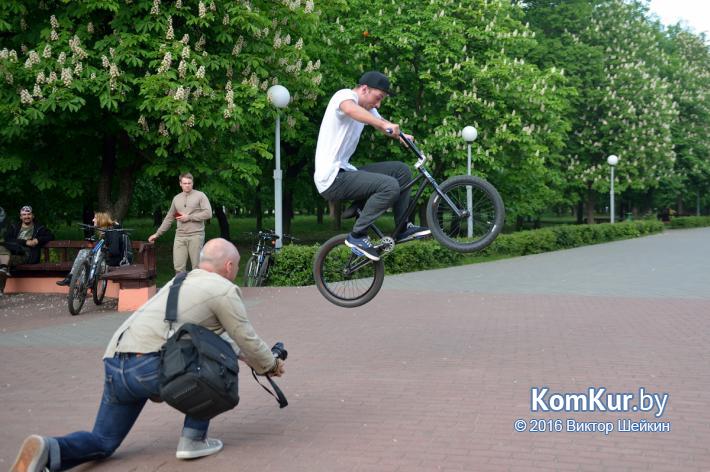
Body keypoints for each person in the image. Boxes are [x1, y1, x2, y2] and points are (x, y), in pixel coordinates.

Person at [10, 238, 285, 472]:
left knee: (103, 441)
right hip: (150, 365)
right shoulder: (223, 289)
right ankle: (193, 440)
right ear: (229, 266)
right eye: (236, 267)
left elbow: (220, 337)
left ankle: (50, 449)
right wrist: (270, 364)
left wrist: (252, 359)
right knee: (214, 372)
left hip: (116, 362)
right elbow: (244, 337)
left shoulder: (180, 281)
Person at [313, 70, 430, 261]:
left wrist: (402, 136)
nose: (377, 104)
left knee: (401, 171)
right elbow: (352, 110)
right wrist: (382, 125)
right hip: (332, 178)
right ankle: (357, 235)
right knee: (389, 185)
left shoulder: (368, 109)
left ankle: (402, 228)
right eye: (378, 98)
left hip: (346, 171)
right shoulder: (344, 96)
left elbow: (383, 123)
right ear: (364, 89)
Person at [149, 173, 212, 273]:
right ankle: (180, 288)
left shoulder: (200, 196)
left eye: (189, 183)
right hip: (180, 236)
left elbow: (208, 213)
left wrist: (189, 217)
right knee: (178, 268)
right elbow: (169, 218)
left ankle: (197, 288)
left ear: (192, 183)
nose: (187, 185)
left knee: (197, 268)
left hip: (196, 235)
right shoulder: (176, 198)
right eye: (185, 183)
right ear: (180, 184)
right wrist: (157, 234)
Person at [0, 205, 54, 296]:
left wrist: (37, 240)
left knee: (2, 260)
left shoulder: (39, 228)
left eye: (28, 214)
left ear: (32, 216)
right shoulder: (14, 227)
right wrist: (25, 242)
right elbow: (8, 239)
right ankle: (4, 269)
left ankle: (3, 272)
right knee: (2, 255)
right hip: (12, 251)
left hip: (27, 254)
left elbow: (51, 236)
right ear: (21, 217)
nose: (26, 217)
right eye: (24, 215)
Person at [55, 211, 120, 287]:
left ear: (101, 220)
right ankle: (71, 278)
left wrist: (104, 250)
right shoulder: (104, 232)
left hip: (109, 264)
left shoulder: (112, 232)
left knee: (87, 262)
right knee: (83, 252)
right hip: (101, 263)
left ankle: (79, 286)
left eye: (95, 218)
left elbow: (114, 252)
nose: (93, 220)